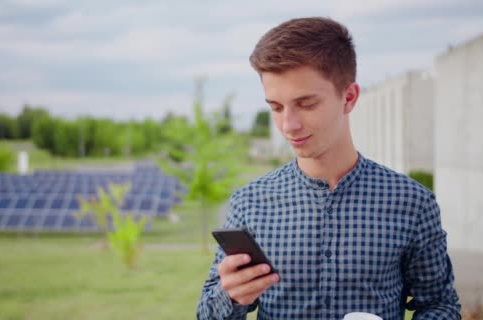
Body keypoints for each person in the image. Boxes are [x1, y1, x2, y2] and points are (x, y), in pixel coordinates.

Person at [196, 17, 461, 320]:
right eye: (276, 107)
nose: (288, 125)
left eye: (306, 104)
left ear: (348, 97)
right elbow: (208, 315)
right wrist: (230, 296)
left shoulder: (413, 203)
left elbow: (440, 305)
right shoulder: (249, 204)